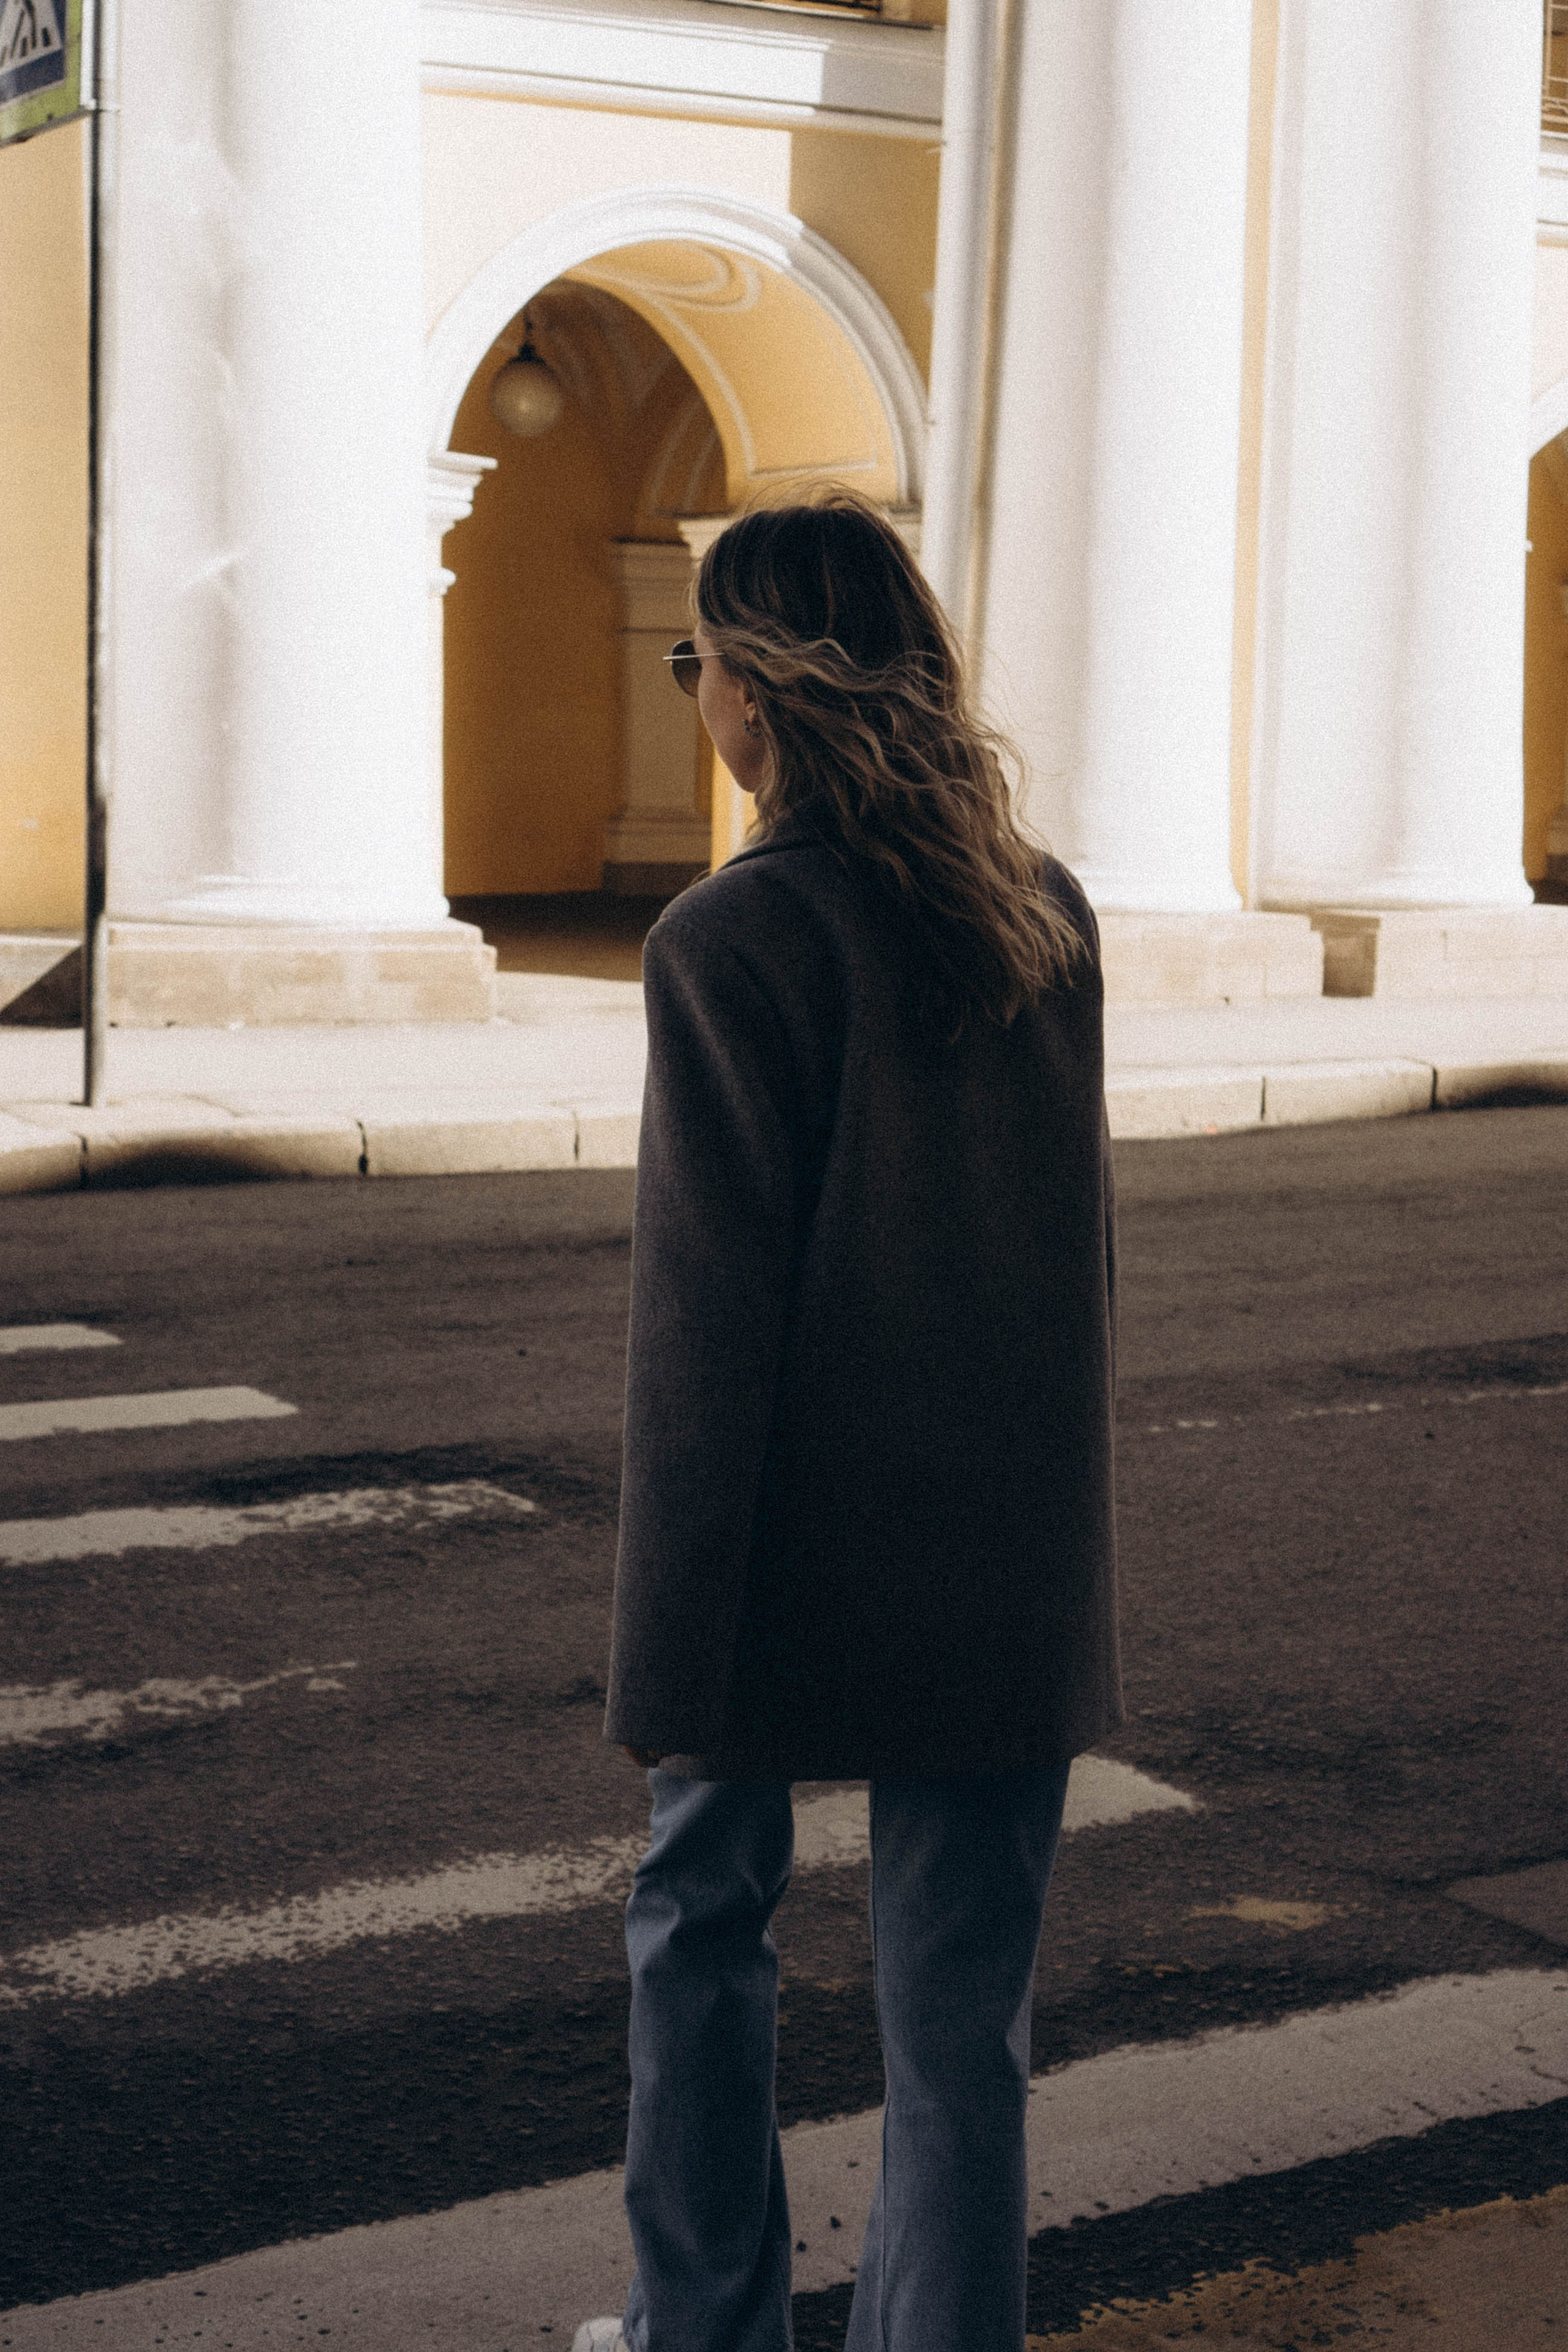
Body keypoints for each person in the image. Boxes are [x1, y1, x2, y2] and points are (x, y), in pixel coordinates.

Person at [576, 492, 1121, 2352]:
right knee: (961, 2023)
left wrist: (672, 1653)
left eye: (694, 662)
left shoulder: (733, 941)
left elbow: (703, 1341)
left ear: (753, 694)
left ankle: (702, 2331)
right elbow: (1072, 1272)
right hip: (1003, 1551)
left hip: (782, 1554)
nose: (694, 697)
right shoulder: (1040, 914)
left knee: (698, 1932)